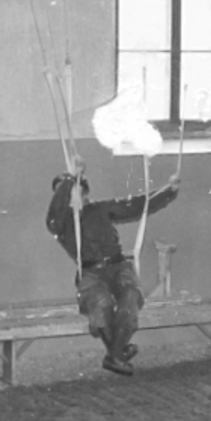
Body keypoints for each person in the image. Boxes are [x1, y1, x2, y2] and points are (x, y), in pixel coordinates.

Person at [46, 158, 180, 376]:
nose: (69, 196)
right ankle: (118, 352)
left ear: (84, 192)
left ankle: (114, 355)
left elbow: (135, 205)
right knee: (101, 303)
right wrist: (70, 177)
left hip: (119, 267)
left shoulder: (100, 210)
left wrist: (168, 191)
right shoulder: (61, 224)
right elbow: (53, 217)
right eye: (63, 193)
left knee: (130, 296)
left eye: (73, 189)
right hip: (90, 273)